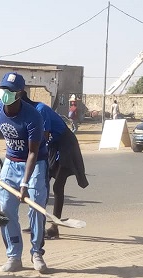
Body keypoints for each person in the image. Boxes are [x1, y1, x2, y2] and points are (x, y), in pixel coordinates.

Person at [0, 72, 49, 274]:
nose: (5, 93)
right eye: (3, 88)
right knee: (5, 209)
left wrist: (24, 184)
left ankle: (37, 253)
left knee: (37, 208)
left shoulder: (33, 116)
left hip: (34, 164)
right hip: (11, 162)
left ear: (20, 93)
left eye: (10, 90)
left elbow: (33, 152)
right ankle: (14, 256)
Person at [21, 91, 89, 239]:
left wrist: (31, 155)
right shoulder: (28, 113)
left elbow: (43, 137)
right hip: (52, 146)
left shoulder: (40, 110)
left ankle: (54, 228)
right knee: (41, 184)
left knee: (58, 186)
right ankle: (36, 223)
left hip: (65, 146)